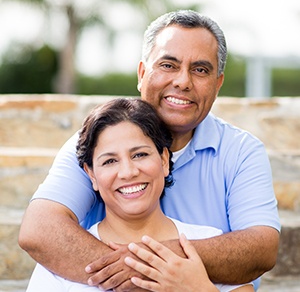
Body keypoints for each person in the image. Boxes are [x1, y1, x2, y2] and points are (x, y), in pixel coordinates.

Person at [19, 10, 280, 291]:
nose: (183, 81)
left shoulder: (241, 152)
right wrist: (144, 276)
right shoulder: (97, 141)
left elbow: (261, 247)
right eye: (168, 65)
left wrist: (163, 270)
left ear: (218, 84)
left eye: (200, 70)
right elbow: (40, 229)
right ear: (142, 74)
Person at [26, 98, 254, 292]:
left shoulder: (207, 244)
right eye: (110, 161)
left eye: (140, 155)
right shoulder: (59, 262)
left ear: (164, 160)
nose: (128, 172)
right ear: (91, 175)